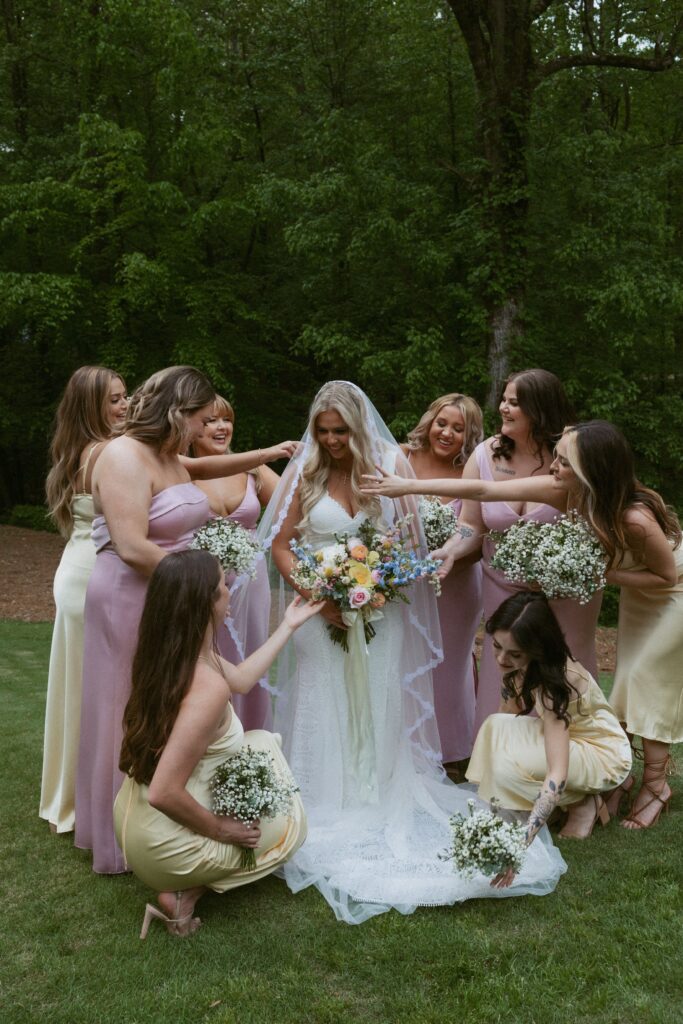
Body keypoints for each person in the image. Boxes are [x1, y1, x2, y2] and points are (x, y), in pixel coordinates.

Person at [234, 380, 566, 923]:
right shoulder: (304, 469)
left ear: (359, 428)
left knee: (381, 701)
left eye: (341, 431)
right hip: (319, 613)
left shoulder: (388, 464)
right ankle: (322, 800)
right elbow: (280, 544)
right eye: (323, 431)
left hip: (380, 613)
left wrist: (379, 584)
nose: (333, 440)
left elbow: (407, 541)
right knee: (323, 700)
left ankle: (378, 794)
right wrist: (320, 593)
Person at [363, 418, 681, 831]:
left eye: (563, 462)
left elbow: (666, 577)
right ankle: (616, 778)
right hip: (641, 595)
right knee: (624, 684)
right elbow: (485, 490)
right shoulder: (565, 490)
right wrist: (408, 487)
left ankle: (656, 786)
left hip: (671, 592)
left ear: (589, 471)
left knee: (642, 681)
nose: (553, 467)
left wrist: (598, 572)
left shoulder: (635, 518)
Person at [76, 365, 297, 874]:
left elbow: (206, 470)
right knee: (127, 702)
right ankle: (120, 835)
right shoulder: (122, 456)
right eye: (200, 419)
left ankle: (171, 815)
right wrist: (200, 584)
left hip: (172, 595)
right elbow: (132, 547)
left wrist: (266, 456)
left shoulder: (166, 456)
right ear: (177, 414)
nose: (204, 431)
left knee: (174, 701)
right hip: (130, 595)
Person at [366, 369, 601, 735]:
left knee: (565, 674)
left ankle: (579, 768)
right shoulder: (486, 454)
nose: (503, 408)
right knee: (504, 678)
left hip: (562, 595)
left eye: (513, 402)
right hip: (502, 588)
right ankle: (503, 766)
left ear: (539, 409)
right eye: (504, 400)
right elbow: (471, 525)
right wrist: (451, 550)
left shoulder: (570, 458)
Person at [114, 549, 319, 937]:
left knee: (258, 743)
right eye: (224, 583)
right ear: (206, 601)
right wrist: (222, 830)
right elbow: (163, 792)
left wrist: (289, 625)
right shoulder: (206, 688)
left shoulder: (175, 655)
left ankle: (184, 869)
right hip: (162, 842)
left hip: (130, 819)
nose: (230, 589)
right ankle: (185, 894)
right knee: (287, 827)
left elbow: (240, 680)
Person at [466, 592, 632, 879]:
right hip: (570, 741)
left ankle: (583, 801)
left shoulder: (559, 683)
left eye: (514, 653)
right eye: (496, 647)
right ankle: (558, 804)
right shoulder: (519, 668)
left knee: (510, 767)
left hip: (601, 752)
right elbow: (505, 722)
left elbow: (557, 772)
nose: (502, 658)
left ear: (537, 648)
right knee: (494, 729)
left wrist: (520, 846)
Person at [40, 366, 127, 834]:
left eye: (125, 395)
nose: (125, 405)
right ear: (92, 406)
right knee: (103, 696)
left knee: (81, 691)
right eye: (114, 399)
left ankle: (76, 793)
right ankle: (97, 802)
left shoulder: (79, 449)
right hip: (97, 577)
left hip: (76, 571)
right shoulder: (107, 453)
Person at [190, 395, 280, 730]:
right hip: (203, 586)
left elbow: (294, 505)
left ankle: (255, 736)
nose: (221, 427)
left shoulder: (252, 467)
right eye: (211, 420)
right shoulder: (180, 471)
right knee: (208, 658)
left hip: (250, 584)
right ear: (192, 426)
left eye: (226, 419)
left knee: (251, 653)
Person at [403, 393, 484, 765]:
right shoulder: (400, 457)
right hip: (402, 584)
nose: (447, 433)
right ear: (429, 422)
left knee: (448, 668)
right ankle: (406, 748)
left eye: (458, 428)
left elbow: (479, 533)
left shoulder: (474, 470)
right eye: (442, 423)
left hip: (456, 585)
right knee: (403, 662)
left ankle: (453, 753)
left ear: (470, 436)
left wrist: (450, 554)